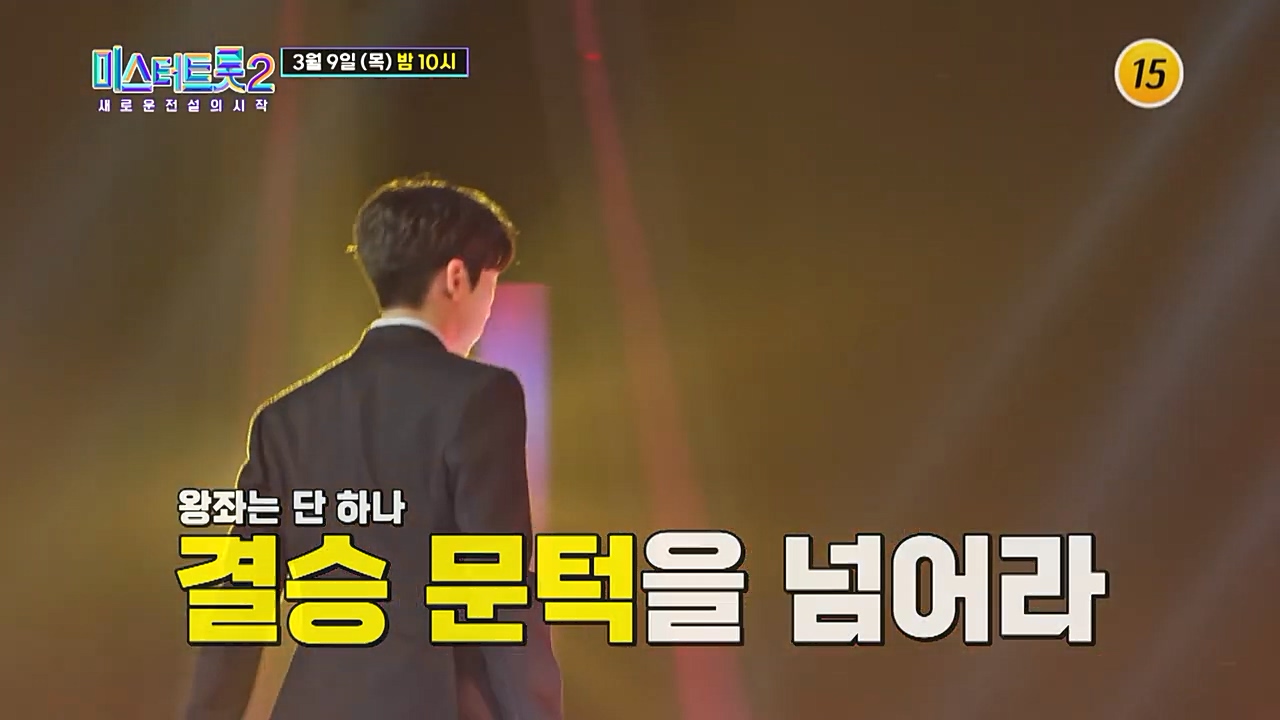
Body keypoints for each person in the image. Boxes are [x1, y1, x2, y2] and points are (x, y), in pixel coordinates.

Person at [183, 175, 563, 720]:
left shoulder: (284, 419)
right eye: (491, 287)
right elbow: (499, 587)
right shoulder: (482, 395)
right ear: (457, 278)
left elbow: (237, 602)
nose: (488, 310)